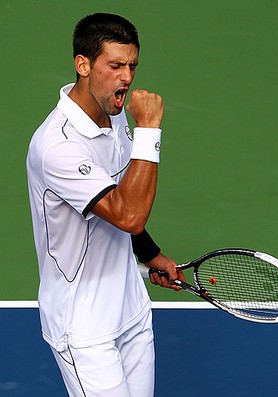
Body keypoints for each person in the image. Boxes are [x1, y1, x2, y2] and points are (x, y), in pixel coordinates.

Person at [26, 12, 184, 397]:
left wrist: (151, 254)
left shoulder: (113, 118)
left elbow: (118, 198)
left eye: (132, 65)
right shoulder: (57, 147)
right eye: (115, 65)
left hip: (129, 308)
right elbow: (128, 214)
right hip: (84, 329)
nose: (127, 78)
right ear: (83, 65)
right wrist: (149, 130)